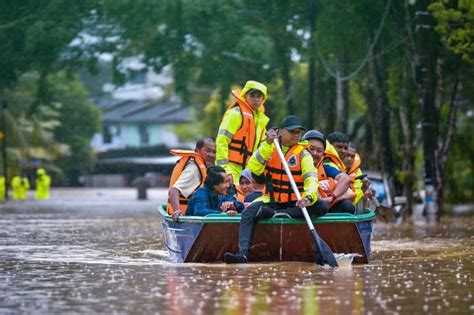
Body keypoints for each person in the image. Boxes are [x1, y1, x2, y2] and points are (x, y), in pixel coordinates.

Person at [224, 115, 329, 264]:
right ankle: (243, 254)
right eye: (292, 131)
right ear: (281, 132)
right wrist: (267, 143)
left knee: (322, 206)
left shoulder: (304, 154)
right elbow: (253, 168)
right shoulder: (270, 147)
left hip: (296, 202)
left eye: (298, 132)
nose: (296, 135)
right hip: (273, 199)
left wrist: (309, 197)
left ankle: (280, 214)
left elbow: (311, 178)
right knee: (248, 213)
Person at [215, 80, 270, 184]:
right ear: (245, 96)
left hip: (249, 171)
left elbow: (264, 148)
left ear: (263, 99)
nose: (256, 99)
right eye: (252, 95)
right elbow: (221, 142)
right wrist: (225, 170)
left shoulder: (261, 120)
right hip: (231, 168)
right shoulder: (235, 114)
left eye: (259, 96)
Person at [302, 130, 356, 214]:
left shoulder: (326, 167)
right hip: (300, 203)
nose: (314, 153)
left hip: (322, 203)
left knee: (347, 206)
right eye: (311, 149)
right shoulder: (292, 165)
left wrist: (332, 197)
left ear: (323, 153)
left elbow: (346, 179)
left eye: (319, 151)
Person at [167, 138, 216, 222]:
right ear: (197, 151)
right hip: (186, 215)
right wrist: (177, 211)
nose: (211, 155)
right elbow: (174, 190)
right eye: (208, 151)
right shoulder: (193, 169)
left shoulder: (202, 166)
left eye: (214, 152)